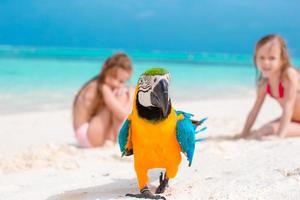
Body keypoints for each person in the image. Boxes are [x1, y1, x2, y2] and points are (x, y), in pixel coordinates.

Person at [241, 34, 300, 139]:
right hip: (293, 119)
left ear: (282, 60)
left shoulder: (289, 75)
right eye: (261, 58)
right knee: (261, 130)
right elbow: (255, 110)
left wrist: (280, 136)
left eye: (272, 58)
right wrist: (244, 133)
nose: (265, 62)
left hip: (292, 116)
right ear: (255, 58)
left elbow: (288, 107)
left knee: (266, 130)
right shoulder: (264, 84)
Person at [73, 53, 134, 147]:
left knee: (122, 93)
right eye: (113, 77)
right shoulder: (103, 87)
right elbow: (123, 115)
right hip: (87, 135)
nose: (116, 83)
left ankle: (120, 139)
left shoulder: (98, 83)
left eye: (121, 81)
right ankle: (123, 140)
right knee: (121, 97)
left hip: (86, 134)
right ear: (104, 69)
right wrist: (129, 98)